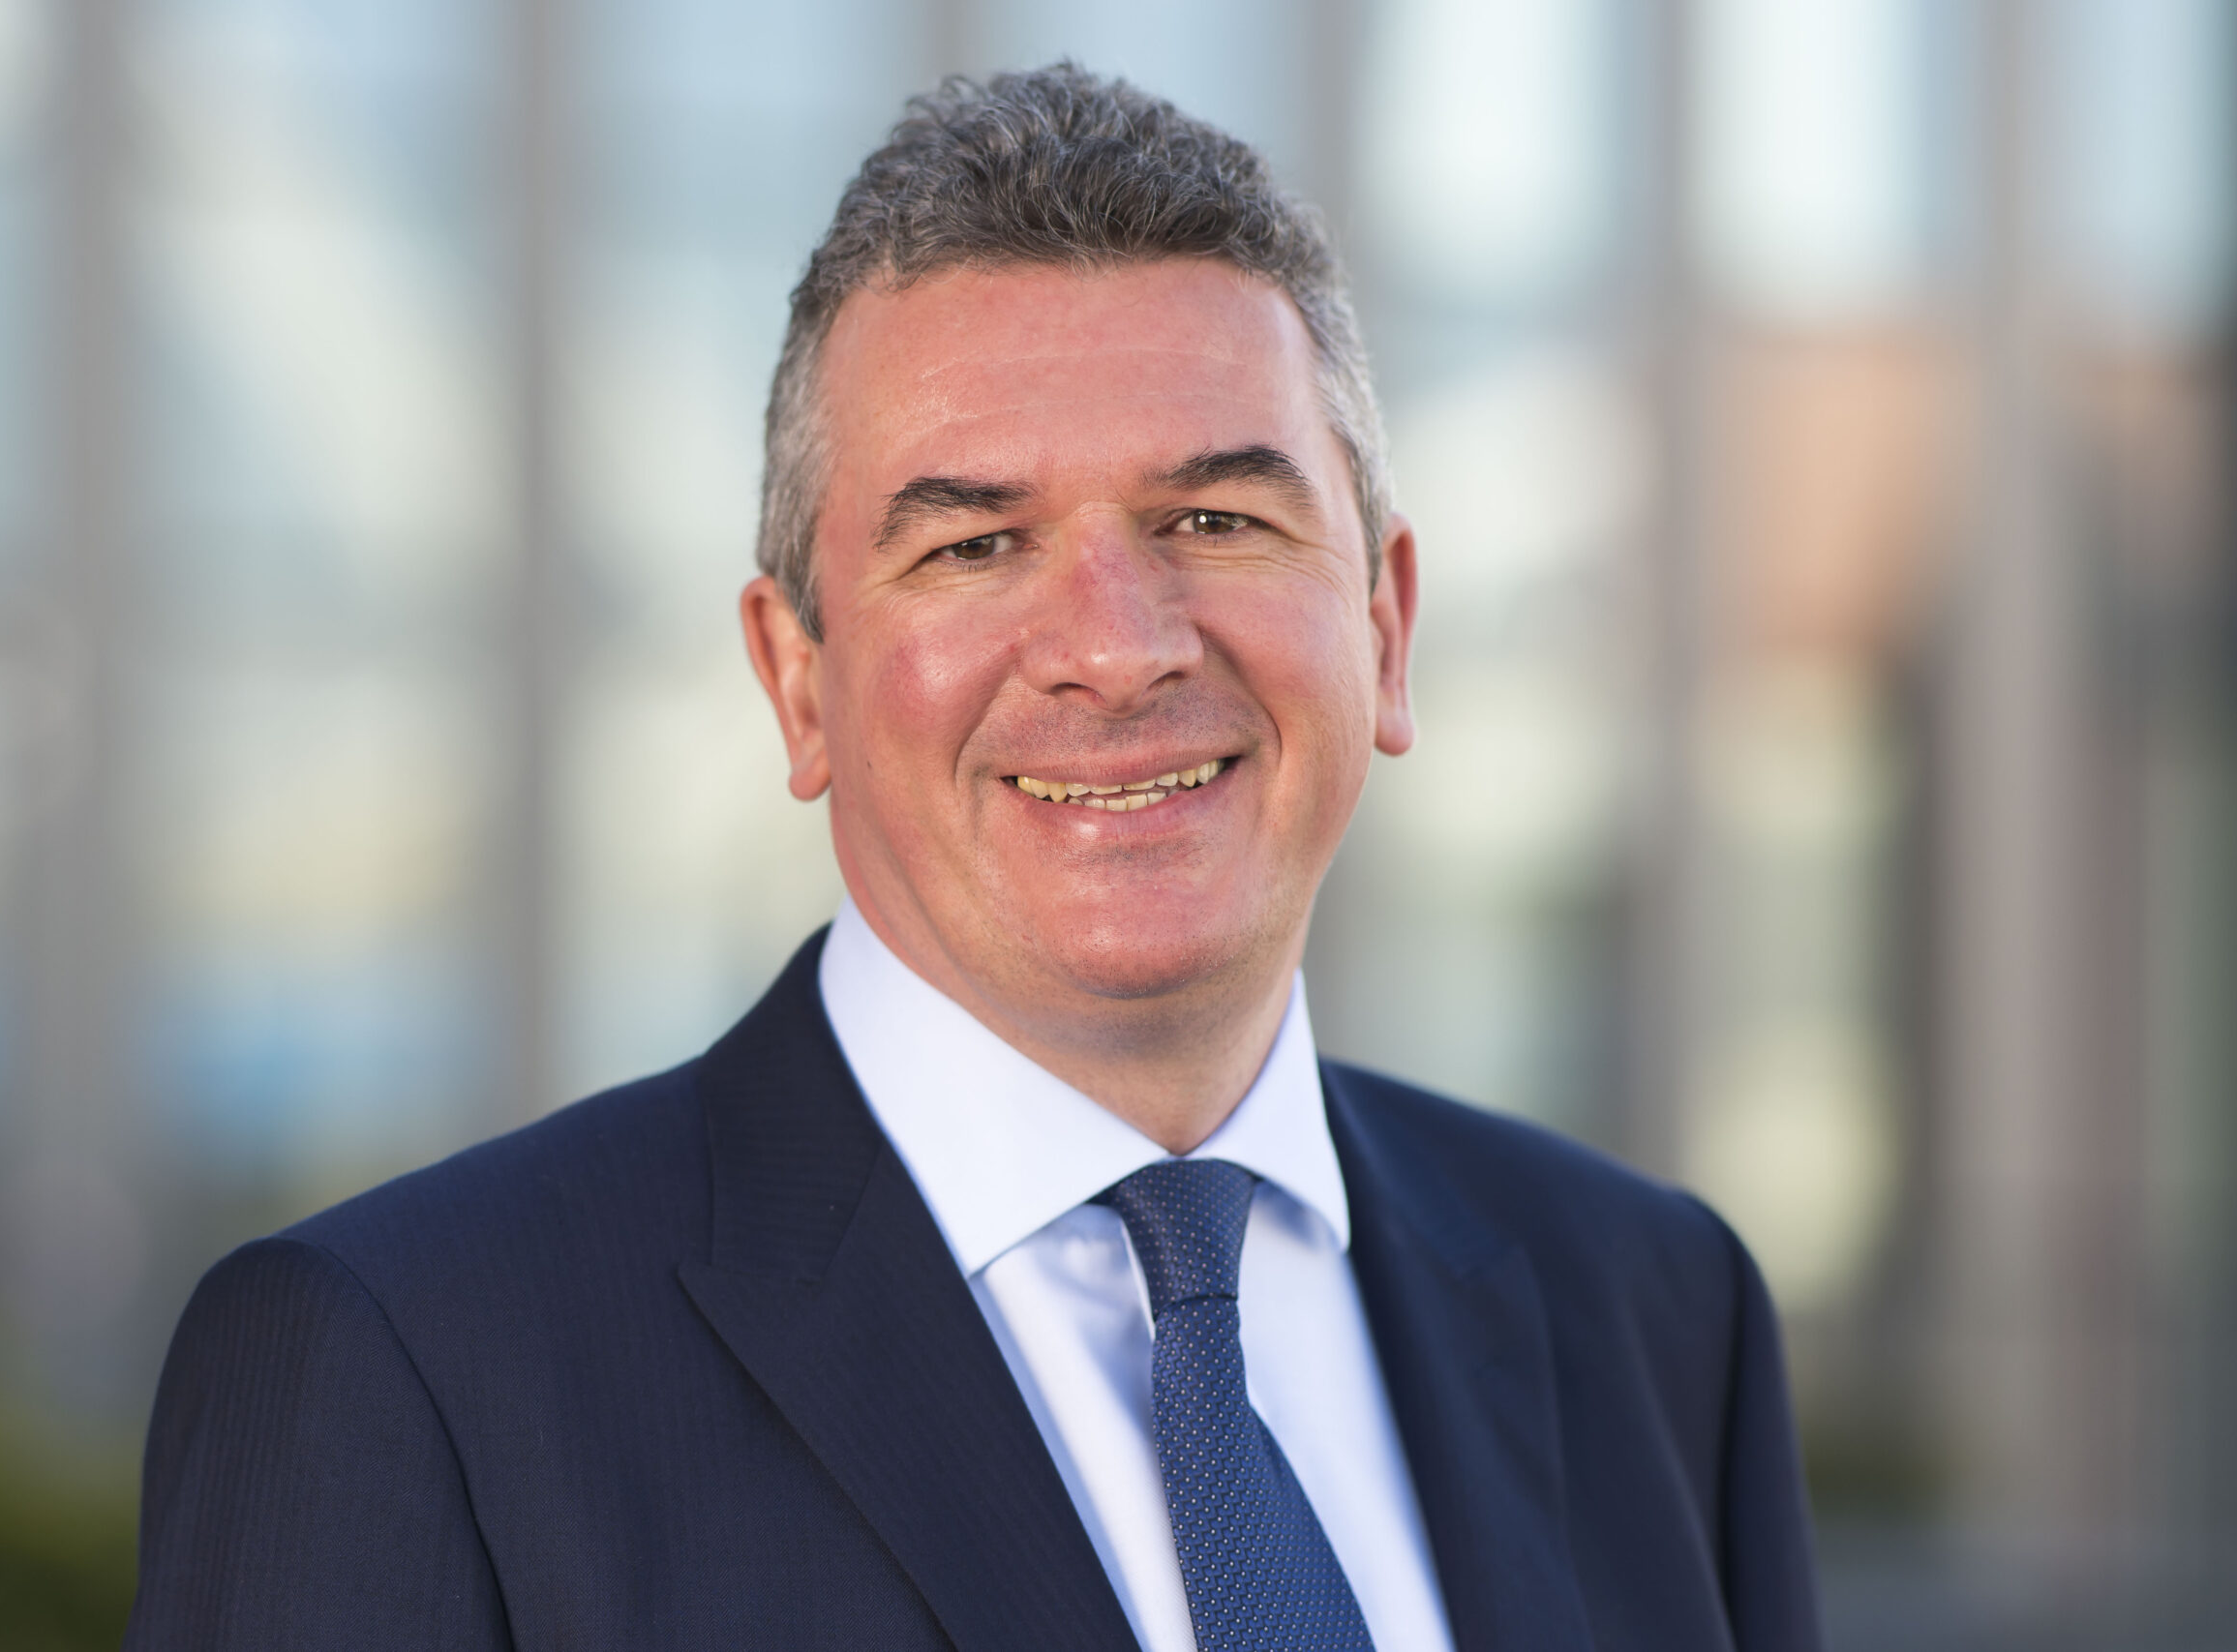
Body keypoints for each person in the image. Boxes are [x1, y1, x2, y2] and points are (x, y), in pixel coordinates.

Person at [125, 64, 1822, 1652]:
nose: (1118, 644)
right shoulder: (407, 1367)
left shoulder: (1656, 1316)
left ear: (1382, 623)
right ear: (797, 680)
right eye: (976, 543)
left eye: (1214, 521)